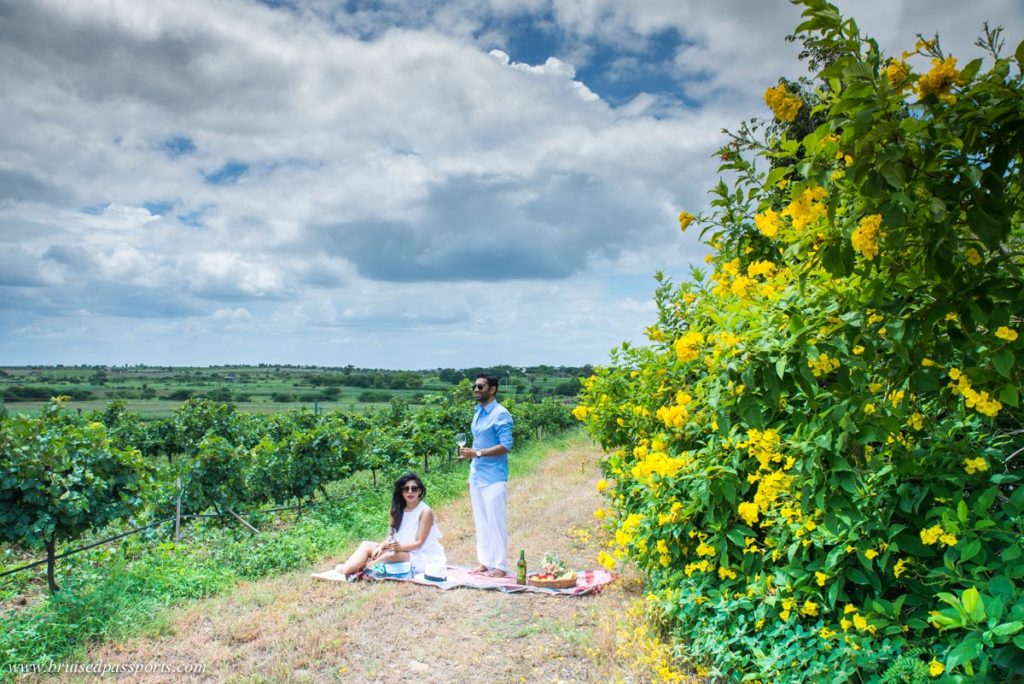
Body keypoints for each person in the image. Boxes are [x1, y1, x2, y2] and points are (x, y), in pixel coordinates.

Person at [311, 472, 445, 581]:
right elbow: (392, 536)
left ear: (420, 491)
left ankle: (362, 570)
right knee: (367, 545)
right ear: (401, 491)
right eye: (406, 488)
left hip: (422, 555)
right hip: (400, 549)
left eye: (414, 488)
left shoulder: (425, 511)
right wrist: (382, 545)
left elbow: (419, 543)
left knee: (389, 556)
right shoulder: (397, 508)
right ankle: (346, 571)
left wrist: (400, 548)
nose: (410, 492)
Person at [458, 373, 514, 577]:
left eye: (480, 387)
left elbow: (506, 445)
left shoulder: (501, 414)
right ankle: (485, 562)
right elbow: (479, 445)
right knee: (480, 521)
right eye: (475, 386)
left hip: (494, 477)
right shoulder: (478, 412)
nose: (476, 390)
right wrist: (471, 471)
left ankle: (500, 566)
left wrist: (478, 453)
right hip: (477, 475)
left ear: (492, 389)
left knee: (495, 521)